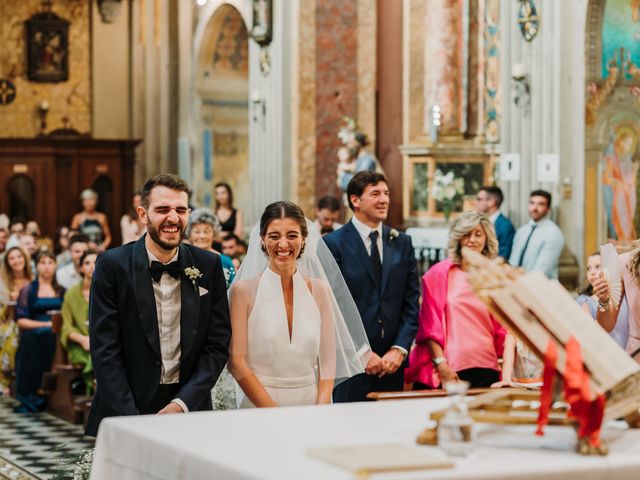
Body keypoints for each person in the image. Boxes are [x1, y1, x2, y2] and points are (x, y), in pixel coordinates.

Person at [86, 174, 231, 437]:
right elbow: (104, 349)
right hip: (126, 407)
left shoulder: (209, 265)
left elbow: (217, 345)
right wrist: (131, 419)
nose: (173, 218)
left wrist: (182, 404)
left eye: (180, 210)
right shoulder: (112, 265)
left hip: (190, 409)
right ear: (143, 214)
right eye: (163, 209)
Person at [228, 201, 370, 407]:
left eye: (292, 235)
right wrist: (273, 411)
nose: (283, 244)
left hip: (310, 405)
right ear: (262, 239)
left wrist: (321, 406)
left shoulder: (320, 290)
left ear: (304, 240)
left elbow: (328, 359)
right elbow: (237, 363)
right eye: (274, 236)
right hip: (259, 407)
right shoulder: (243, 292)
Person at [324, 172, 419, 402]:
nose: (384, 199)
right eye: (375, 193)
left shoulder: (402, 243)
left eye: (386, 193)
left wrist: (399, 349)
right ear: (355, 200)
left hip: (391, 366)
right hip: (351, 366)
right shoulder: (333, 244)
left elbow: (411, 302)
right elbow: (332, 306)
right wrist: (361, 352)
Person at [404, 211, 506, 389]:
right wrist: (441, 363)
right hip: (450, 365)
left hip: (486, 365)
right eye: (466, 234)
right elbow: (430, 324)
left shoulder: (494, 276)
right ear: (458, 238)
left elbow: (503, 328)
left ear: (486, 239)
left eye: (478, 234)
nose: (472, 240)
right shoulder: (439, 274)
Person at [14, 251, 65, 412]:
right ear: (37, 266)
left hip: (57, 332)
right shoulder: (28, 290)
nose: (46, 266)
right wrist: (44, 325)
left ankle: (51, 390)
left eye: (50, 262)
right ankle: (31, 393)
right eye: (42, 262)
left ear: (55, 265)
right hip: (34, 332)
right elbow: (21, 320)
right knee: (38, 337)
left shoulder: (62, 290)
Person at [61, 250, 97, 395]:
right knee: (95, 355)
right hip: (80, 345)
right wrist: (82, 339)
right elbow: (66, 326)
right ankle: (95, 391)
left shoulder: (109, 289)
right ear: (81, 268)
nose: (91, 267)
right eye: (87, 263)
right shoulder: (72, 293)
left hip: (102, 341)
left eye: (95, 262)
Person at [576, 252, 629, 349]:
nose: (592, 272)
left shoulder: (621, 295)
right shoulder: (585, 300)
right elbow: (588, 332)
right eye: (588, 268)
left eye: (597, 267)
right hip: (603, 350)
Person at [0, 246, 33, 395]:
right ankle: (5, 379)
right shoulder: (3, 283)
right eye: (12, 258)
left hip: (30, 318)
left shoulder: (33, 280)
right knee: (8, 333)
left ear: (25, 259)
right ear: (7, 262)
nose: (16, 261)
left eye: (19, 257)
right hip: (9, 321)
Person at [509, 190, 564, 279]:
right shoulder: (522, 231)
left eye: (540, 204)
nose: (535, 208)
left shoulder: (553, 233)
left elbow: (542, 270)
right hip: (516, 283)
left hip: (540, 286)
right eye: (532, 203)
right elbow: (513, 261)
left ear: (548, 208)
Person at [187, 208, 236, 287]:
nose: (202, 236)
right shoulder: (183, 259)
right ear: (189, 234)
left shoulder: (225, 261)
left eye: (206, 231)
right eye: (197, 231)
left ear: (214, 233)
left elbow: (232, 292)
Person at [476, 186, 515, 260]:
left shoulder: (505, 226)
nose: (476, 202)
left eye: (479, 199)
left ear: (492, 202)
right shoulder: (481, 222)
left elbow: (503, 256)